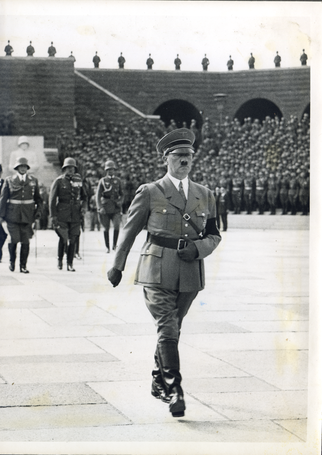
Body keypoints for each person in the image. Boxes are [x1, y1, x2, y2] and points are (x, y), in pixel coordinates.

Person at [107, 128, 221, 418]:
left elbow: (214, 235)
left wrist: (198, 250)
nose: (185, 161)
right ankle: (174, 389)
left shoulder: (205, 195)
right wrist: (117, 265)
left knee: (173, 328)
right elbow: (129, 231)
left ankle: (158, 380)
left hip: (190, 272)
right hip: (156, 268)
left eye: (189, 156)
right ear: (165, 159)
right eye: (179, 156)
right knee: (167, 327)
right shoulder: (149, 192)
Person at [0, 157, 43, 273]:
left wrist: (38, 212)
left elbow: (38, 199)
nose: (23, 168)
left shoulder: (33, 180)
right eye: (20, 167)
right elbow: (3, 199)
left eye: (24, 167)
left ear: (27, 168)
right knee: (13, 239)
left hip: (28, 215)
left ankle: (23, 265)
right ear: (16, 168)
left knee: (25, 240)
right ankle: (12, 262)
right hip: (12, 215)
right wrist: (0, 216)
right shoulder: (9, 180)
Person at [49, 157, 86, 272]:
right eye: (68, 168)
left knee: (74, 239)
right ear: (64, 169)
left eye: (73, 168)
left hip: (75, 214)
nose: (71, 170)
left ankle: (70, 263)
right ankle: (60, 260)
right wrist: (53, 216)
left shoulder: (78, 181)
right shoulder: (59, 181)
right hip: (62, 213)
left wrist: (83, 207)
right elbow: (52, 200)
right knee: (64, 238)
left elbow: (85, 196)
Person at [96, 160, 124, 253]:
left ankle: (114, 245)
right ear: (106, 171)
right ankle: (107, 247)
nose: (110, 171)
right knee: (106, 228)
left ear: (114, 170)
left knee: (116, 226)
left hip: (115, 207)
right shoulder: (103, 181)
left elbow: (122, 194)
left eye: (112, 169)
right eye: (108, 170)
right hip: (105, 207)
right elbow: (98, 196)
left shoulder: (118, 180)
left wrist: (120, 201)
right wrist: (100, 207)